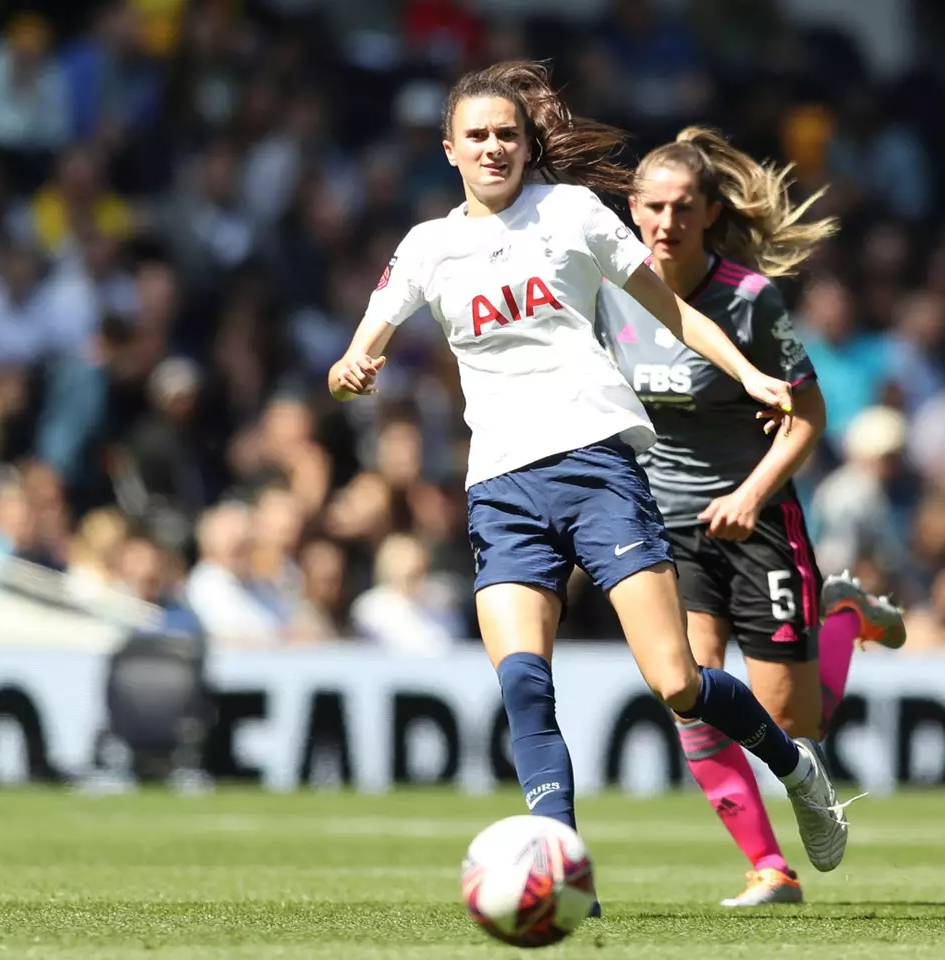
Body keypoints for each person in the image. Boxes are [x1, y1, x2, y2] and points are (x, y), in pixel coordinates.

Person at [328, 62, 853, 912]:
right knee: (524, 682)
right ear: (449, 150)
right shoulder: (428, 247)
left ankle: (797, 768)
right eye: (478, 136)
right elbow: (357, 348)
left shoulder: (571, 215)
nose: (494, 147)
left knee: (677, 682)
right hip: (500, 487)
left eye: (508, 134)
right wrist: (353, 368)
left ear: (528, 143)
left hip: (597, 467)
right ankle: (563, 866)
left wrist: (750, 373)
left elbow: (671, 312)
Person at [596, 127, 905, 907]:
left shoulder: (748, 298)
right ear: (631, 211)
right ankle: (769, 867)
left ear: (707, 212)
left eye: (682, 208)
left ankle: (839, 616)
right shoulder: (609, 293)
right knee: (688, 691)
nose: (665, 223)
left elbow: (808, 417)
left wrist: (749, 494)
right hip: (668, 526)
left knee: (795, 725)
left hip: (758, 519)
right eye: (653, 208)